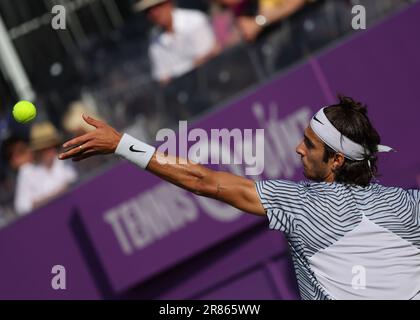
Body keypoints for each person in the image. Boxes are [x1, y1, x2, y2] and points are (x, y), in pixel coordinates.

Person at [58, 96, 420, 300]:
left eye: (309, 145)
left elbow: (202, 180)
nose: (298, 148)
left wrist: (122, 144)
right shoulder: (409, 205)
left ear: (336, 160)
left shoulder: (297, 204)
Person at [134, 0, 221, 84]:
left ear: (169, 3)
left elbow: (208, 59)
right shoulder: (154, 37)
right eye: (148, 11)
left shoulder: (194, 20)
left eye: (157, 6)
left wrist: (174, 74)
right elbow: (162, 78)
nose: (154, 13)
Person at [15, 122, 78, 215]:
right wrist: (54, 197)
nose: (49, 150)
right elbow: (21, 206)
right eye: (44, 147)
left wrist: (40, 202)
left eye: (51, 145)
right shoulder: (26, 172)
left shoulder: (65, 161)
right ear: (38, 151)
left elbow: (73, 182)